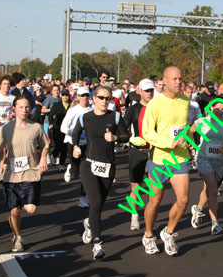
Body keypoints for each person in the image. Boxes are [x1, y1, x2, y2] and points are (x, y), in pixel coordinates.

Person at [72, 85, 129, 260]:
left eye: (107, 98)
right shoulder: (85, 118)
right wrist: (75, 147)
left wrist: (115, 138)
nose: (104, 101)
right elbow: (75, 133)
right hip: (88, 165)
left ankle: (90, 224)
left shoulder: (116, 116)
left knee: (99, 204)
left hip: (108, 167)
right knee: (95, 202)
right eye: (101, 98)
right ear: (94, 99)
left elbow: (126, 136)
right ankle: (97, 244)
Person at [0, 95, 49, 252]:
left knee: (31, 209)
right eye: (21, 107)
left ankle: (15, 218)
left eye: (27, 107)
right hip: (11, 175)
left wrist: (43, 159)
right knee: (14, 210)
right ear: (14, 109)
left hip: (31, 174)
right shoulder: (6, 129)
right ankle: (17, 237)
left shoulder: (36, 127)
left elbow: (46, 145)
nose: (24, 110)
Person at [141, 66, 190, 256]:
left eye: (180, 78)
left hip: (180, 158)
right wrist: (169, 142)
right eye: (175, 79)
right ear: (164, 81)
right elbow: (147, 133)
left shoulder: (186, 101)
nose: (178, 82)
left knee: (184, 200)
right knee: (155, 201)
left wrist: (189, 138)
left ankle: (168, 232)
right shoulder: (155, 104)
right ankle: (148, 235)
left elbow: (183, 127)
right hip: (160, 159)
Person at [189, 97, 223, 235]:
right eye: (217, 109)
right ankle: (215, 224)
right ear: (211, 108)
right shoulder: (202, 121)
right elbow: (189, 132)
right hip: (204, 158)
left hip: (219, 160)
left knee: (209, 189)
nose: (220, 112)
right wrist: (191, 145)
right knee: (213, 188)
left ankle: (198, 209)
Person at [124, 79, 154, 230]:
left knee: (153, 188)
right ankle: (134, 215)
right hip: (137, 151)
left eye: (151, 90)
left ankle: (150, 218)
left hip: (155, 152)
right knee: (136, 186)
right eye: (147, 90)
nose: (149, 93)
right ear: (140, 91)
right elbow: (122, 128)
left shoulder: (158, 108)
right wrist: (130, 138)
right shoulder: (133, 109)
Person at [60, 87, 92, 208]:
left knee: (86, 171)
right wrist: (75, 133)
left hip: (87, 144)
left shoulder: (92, 110)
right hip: (73, 142)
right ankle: (70, 167)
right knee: (75, 172)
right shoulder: (73, 110)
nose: (84, 98)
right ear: (78, 97)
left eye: (87, 96)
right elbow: (63, 127)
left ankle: (82, 198)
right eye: (82, 95)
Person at [49, 89, 71, 172]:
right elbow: (51, 115)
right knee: (58, 146)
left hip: (67, 129)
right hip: (57, 128)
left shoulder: (71, 105)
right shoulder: (57, 105)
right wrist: (51, 123)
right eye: (63, 95)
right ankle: (54, 155)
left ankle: (61, 164)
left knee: (65, 147)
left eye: (66, 95)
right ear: (61, 96)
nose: (65, 97)